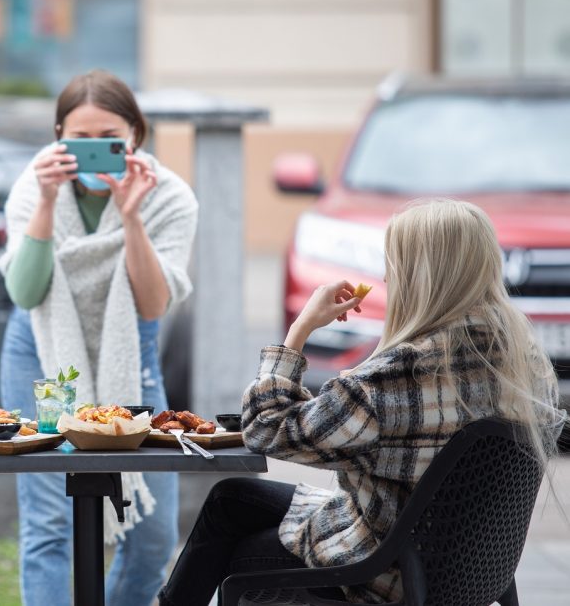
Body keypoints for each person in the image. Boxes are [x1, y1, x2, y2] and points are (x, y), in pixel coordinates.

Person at [159, 198, 565, 605]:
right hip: (467, 569)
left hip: (384, 572)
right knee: (231, 499)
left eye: (394, 263)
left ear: (416, 276)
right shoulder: (527, 364)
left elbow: (267, 430)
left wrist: (299, 331)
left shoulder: (394, 377)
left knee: (244, 553)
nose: (388, 275)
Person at [0, 69, 198, 605]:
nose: (91, 153)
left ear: (134, 135)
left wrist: (131, 218)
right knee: (49, 523)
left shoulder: (169, 197)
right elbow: (25, 289)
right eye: (77, 139)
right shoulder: (32, 185)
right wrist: (44, 204)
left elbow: (154, 303)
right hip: (39, 350)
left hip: (131, 353)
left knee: (152, 532)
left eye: (106, 139)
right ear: (58, 134)